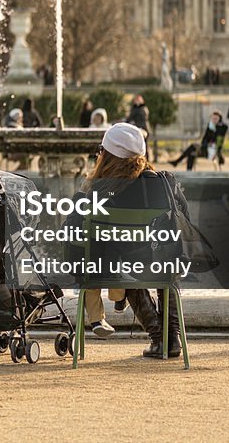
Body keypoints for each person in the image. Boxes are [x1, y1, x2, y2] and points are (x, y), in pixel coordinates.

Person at [64, 123, 187, 358]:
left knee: (122, 265)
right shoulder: (163, 183)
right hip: (161, 263)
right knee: (164, 262)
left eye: (101, 149)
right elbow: (183, 217)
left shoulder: (95, 191)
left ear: (109, 155)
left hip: (121, 268)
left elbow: (71, 230)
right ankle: (172, 340)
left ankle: (158, 337)